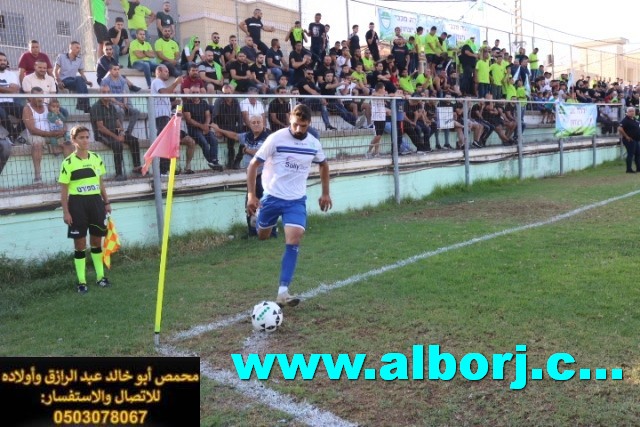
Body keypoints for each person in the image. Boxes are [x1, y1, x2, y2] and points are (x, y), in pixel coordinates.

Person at [246, 104, 332, 307]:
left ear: (309, 124)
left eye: (303, 126)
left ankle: (283, 291)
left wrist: (325, 193)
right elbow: (253, 165)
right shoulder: (276, 138)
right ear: (289, 121)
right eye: (295, 125)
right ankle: (258, 219)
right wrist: (251, 195)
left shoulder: (313, 143)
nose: (298, 130)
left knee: (294, 239)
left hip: (296, 200)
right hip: (272, 197)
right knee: (262, 235)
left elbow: (324, 164)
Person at [59, 125, 112, 294]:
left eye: (87, 137)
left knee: (97, 242)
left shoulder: (96, 158)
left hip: (96, 203)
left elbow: (101, 182)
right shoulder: (68, 162)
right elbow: (64, 191)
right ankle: (81, 281)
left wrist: (106, 202)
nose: (85, 140)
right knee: (80, 244)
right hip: (77, 205)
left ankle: (100, 277)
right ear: (74, 141)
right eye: (81, 137)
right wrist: (66, 212)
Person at [212, 116, 275, 236]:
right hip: (251, 177)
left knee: (266, 204)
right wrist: (219, 129)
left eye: (258, 122)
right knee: (249, 203)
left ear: (263, 123)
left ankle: (270, 231)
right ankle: (252, 232)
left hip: (264, 177)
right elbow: (234, 135)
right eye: (253, 122)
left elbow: (261, 153)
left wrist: (246, 150)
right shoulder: (247, 136)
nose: (256, 124)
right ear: (250, 124)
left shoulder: (268, 137)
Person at [90, 85, 142, 180]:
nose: (106, 94)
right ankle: (119, 174)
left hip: (114, 132)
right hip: (101, 134)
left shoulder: (111, 106)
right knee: (117, 145)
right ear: (99, 94)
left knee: (134, 140)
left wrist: (121, 132)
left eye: (108, 92)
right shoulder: (96, 107)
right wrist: (116, 137)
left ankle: (137, 168)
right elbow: (101, 128)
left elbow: (117, 122)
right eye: (104, 92)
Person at [22, 87, 67, 183]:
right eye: (37, 97)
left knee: (68, 143)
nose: (40, 99)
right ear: (31, 97)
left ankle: (71, 173)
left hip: (53, 134)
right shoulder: (27, 108)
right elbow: (32, 129)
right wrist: (50, 134)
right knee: (37, 144)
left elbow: (61, 119)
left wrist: (63, 130)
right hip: (36, 135)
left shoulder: (48, 106)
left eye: (41, 96)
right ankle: (38, 177)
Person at [151, 64, 183, 175]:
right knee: (164, 142)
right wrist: (176, 83)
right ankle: (162, 170)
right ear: (158, 72)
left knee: (167, 142)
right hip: (161, 117)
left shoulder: (160, 83)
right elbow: (164, 92)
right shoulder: (157, 82)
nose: (168, 73)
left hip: (165, 116)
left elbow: (163, 100)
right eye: (165, 71)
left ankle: (166, 169)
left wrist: (174, 103)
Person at [182, 96, 223, 171]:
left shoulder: (204, 103)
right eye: (193, 93)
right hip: (193, 130)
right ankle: (212, 162)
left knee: (214, 140)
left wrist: (206, 125)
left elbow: (208, 115)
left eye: (197, 92)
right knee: (204, 143)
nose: (195, 94)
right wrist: (202, 126)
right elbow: (189, 120)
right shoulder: (186, 104)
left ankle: (214, 161)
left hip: (204, 127)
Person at [100, 64, 142, 137]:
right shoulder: (105, 81)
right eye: (115, 69)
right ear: (110, 71)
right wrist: (119, 104)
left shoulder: (121, 79)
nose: (117, 71)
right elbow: (108, 96)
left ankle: (128, 132)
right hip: (111, 104)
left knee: (136, 112)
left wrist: (124, 103)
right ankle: (120, 131)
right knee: (120, 110)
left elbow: (124, 92)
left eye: (118, 69)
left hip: (121, 103)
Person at [211, 84, 244, 169]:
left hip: (233, 126)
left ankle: (237, 160)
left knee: (246, 136)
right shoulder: (218, 101)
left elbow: (239, 117)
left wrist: (240, 130)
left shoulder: (235, 101)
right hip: (222, 126)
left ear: (232, 92)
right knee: (231, 137)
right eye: (225, 94)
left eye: (229, 93)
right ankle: (231, 161)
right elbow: (215, 117)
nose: (227, 96)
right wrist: (218, 129)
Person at [54, 41, 93, 113]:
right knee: (79, 79)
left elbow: (82, 73)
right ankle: (85, 106)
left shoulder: (79, 60)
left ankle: (83, 105)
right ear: (70, 48)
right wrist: (58, 81)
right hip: (64, 81)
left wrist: (86, 81)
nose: (79, 50)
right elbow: (55, 71)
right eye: (77, 48)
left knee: (81, 80)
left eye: (80, 48)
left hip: (74, 81)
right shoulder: (61, 56)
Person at [0, 52, 25, 144]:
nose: (2, 62)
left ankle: (13, 135)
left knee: (28, 112)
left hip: (9, 103)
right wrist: (8, 88)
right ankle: (15, 135)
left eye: (4, 60)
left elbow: (14, 90)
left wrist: (2, 89)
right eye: (0, 60)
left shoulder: (11, 74)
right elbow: (11, 89)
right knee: (1, 113)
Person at [618, 106, 640, 173]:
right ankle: (629, 169)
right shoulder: (625, 120)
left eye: (633, 111)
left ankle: (638, 168)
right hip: (629, 140)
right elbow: (620, 128)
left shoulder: (635, 120)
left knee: (638, 154)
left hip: (636, 140)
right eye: (630, 111)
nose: (632, 112)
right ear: (627, 112)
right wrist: (626, 136)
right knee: (630, 154)